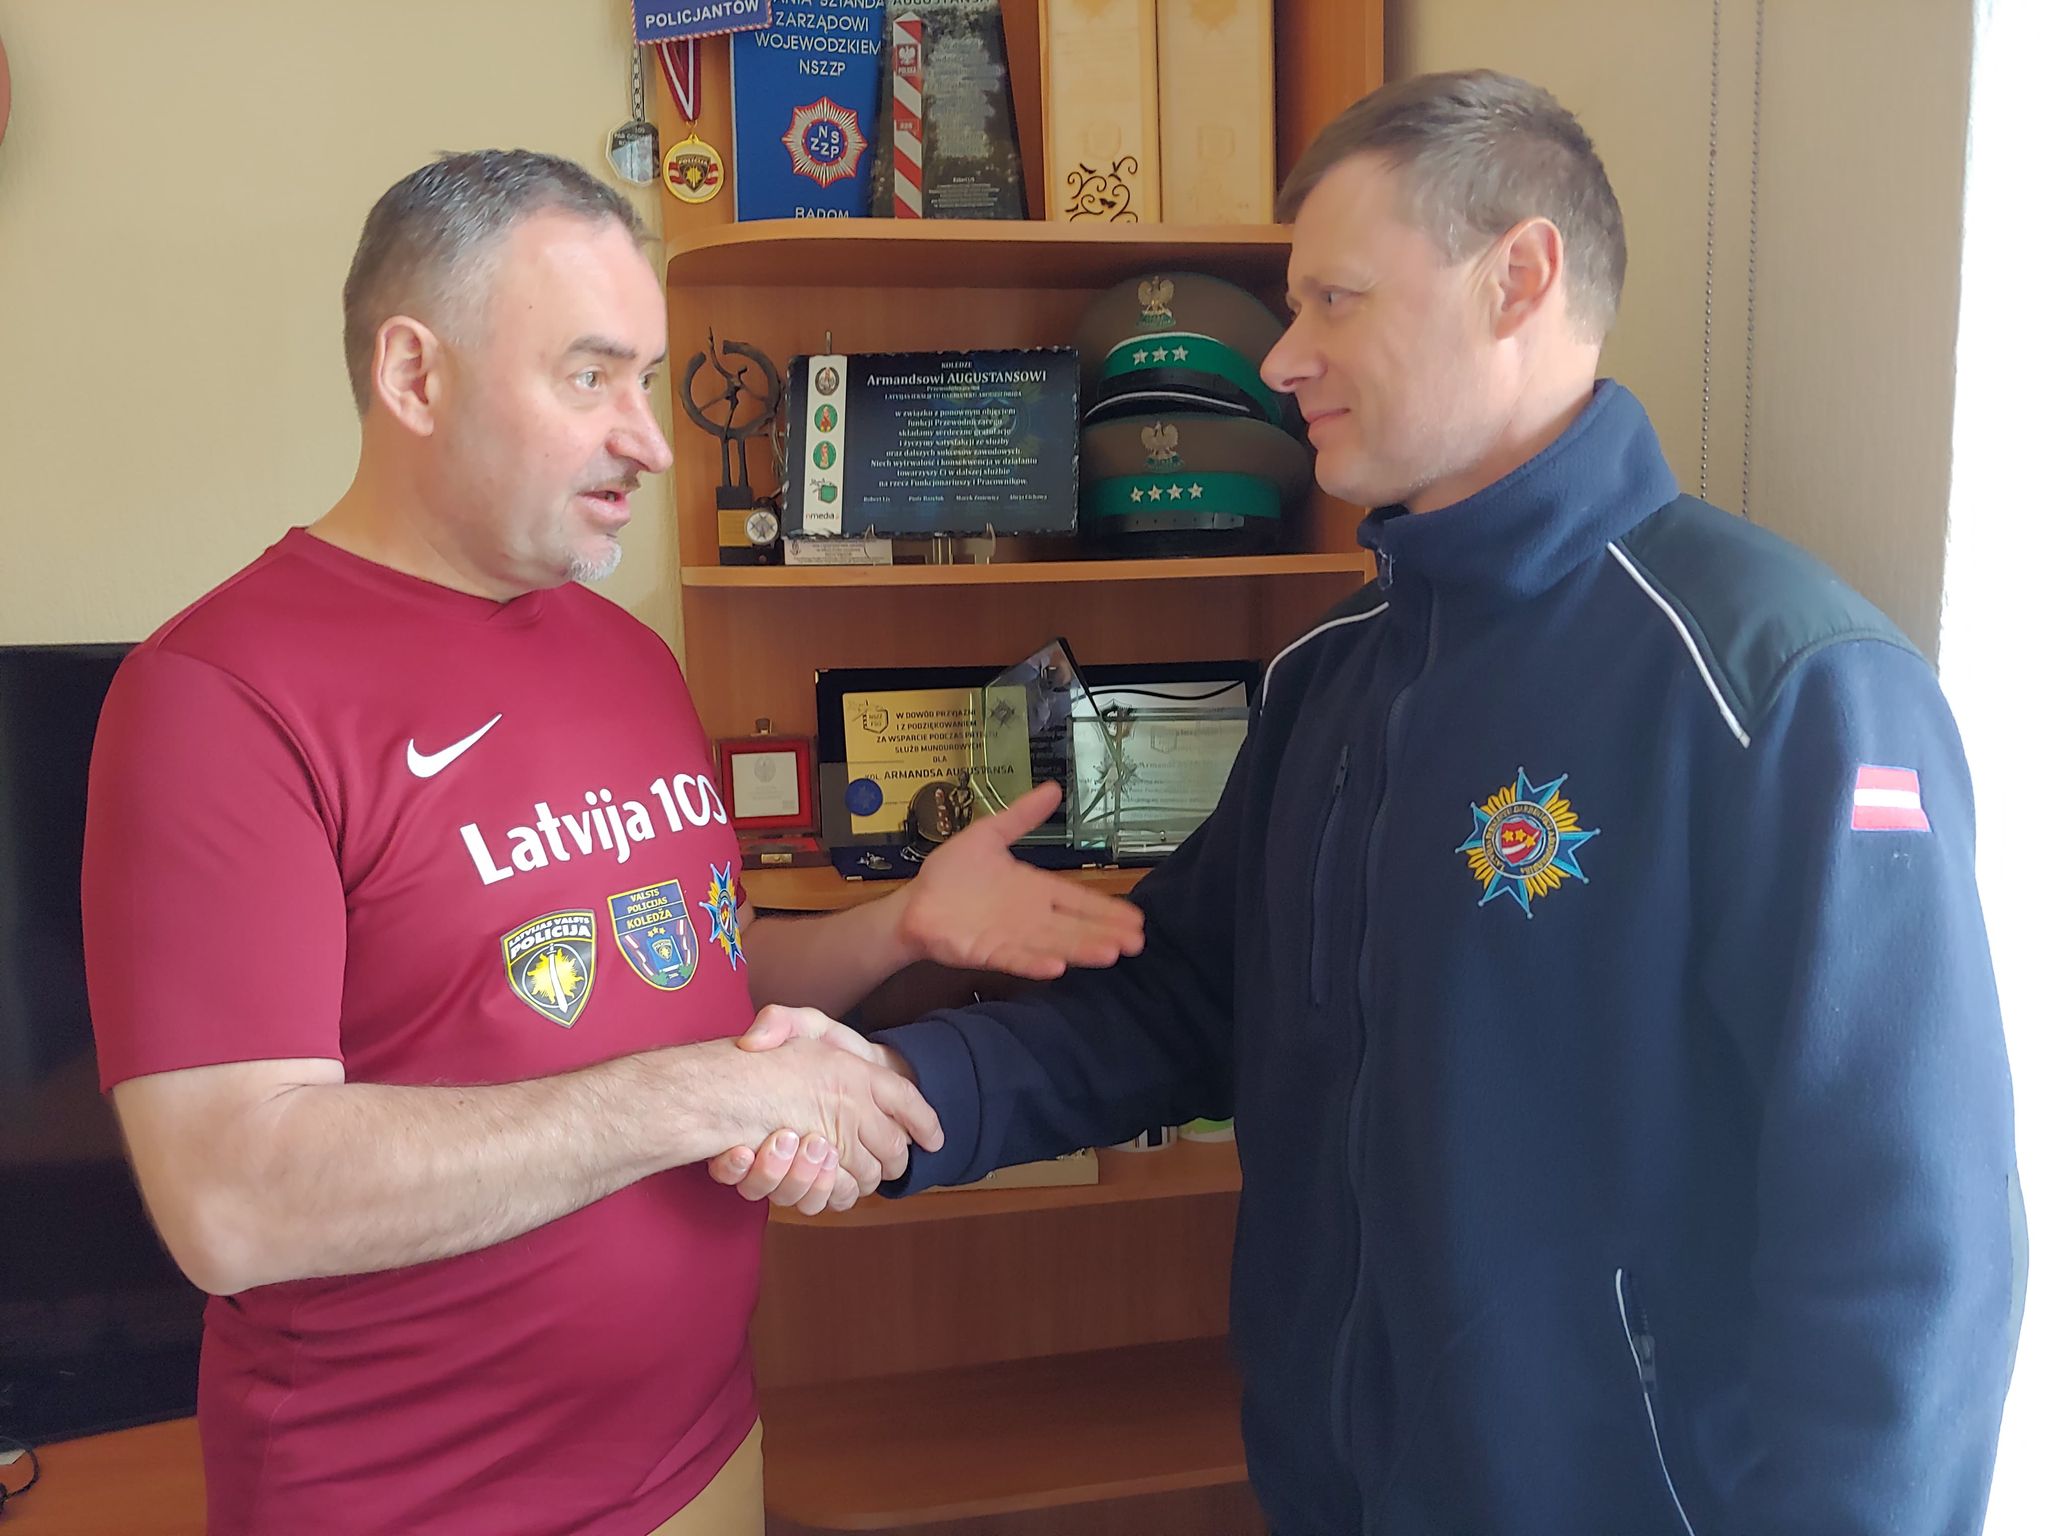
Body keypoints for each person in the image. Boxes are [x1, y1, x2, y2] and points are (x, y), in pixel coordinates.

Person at [726, 70, 2027, 1535]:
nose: (1283, 360)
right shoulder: (1328, 675)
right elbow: (1188, 1005)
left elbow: (1910, 1249)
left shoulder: (1781, 683)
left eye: (1334, 302)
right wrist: (894, 1095)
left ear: (1517, 279)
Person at [80, 149, 1142, 1536]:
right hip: (416, 1508)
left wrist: (897, 929)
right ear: (415, 377)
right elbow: (233, 1202)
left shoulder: (629, 654)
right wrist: (704, 1100)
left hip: (704, 1456)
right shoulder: (217, 695)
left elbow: (690, 966)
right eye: (590, 377)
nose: (651, 439)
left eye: (648, 378)